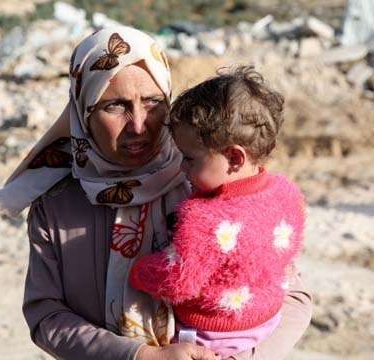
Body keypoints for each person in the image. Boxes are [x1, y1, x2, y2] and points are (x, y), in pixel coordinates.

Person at [0, 26, 312, 360]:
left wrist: (248, 357)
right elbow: (46, 316)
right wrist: (140, 356)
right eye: (116, 106)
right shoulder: (57, 206)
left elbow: (294, 294)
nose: (139, 124)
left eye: (152, 102)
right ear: (83, 111)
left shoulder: (206, 178)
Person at [129, 66, 306, 358]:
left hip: (213, 338)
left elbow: (179, 281)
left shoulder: (204, 218)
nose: (182, 167)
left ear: (234, 156)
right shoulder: (286, 191)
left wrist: (138, 271)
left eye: (189, 158)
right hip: (268, 324)